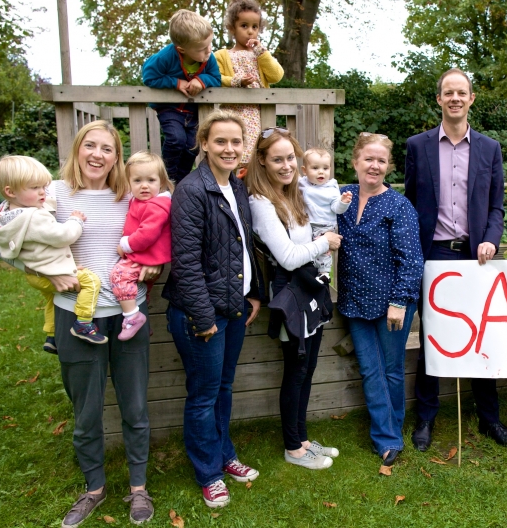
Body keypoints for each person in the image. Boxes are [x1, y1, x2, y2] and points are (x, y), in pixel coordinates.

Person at [19, 121, 156, 527]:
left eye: (108, 149)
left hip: (127, 315)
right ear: (77, 149)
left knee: (134, 406)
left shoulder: (130, 194)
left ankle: (138, 487)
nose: (98, 155)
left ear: (118, 156)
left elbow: (158, 233)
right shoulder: (55, 195)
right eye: (90, 146)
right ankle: (93, 487)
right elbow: (9, 242)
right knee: (86, 409)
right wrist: (47, 271)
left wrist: (154, 265)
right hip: (75, 315)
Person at [405, 68, 507, 451]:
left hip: (476, 257)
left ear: (471, 99)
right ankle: (425, 418)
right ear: (439, 99)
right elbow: (410, 205)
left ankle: (490, 418)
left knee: (482, 334)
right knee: (433, 338)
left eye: (462, 92)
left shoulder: (489, 148)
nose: (455, 98)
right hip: (434, 254)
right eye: (448, 92)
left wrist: (490, 240)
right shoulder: (417, 146)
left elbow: (496, 207)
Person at [164, 111, 262, 508]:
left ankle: (225, 455)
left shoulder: (235, 187)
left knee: (222, 387)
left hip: (233, 306)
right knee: (203, 395)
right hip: (200, 313)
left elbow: (243, 245)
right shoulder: (192, 190)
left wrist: (253, 292)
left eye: (236, 142)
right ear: (204, 143)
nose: (229, 148)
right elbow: (185, 262)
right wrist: (203, 318)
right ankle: (209, 473)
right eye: (220, 141)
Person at [247, 128, 342, 470]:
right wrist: (326, 242)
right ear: (262, 161)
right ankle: (292, 447)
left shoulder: (292, 194)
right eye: (277, 159)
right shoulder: (261, 202)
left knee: (309, 366)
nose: (286, 165)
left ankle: (302, 438)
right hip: (289, 292)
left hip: (309, 288)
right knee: (296, 368)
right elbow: (287, 257)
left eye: (290, 158)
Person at [338, 133, 423, 467]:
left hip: (392, 303)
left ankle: (388, 438)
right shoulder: (341, 197)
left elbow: (412, 260)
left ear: (388, 166)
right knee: (370, 370)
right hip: (355, 300)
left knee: (390, 371)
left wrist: (400, 302)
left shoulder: (398, 206)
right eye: (368, 159)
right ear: (356, 160)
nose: (374, 166)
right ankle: (387, 434)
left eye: (381, 161)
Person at [0, 155, 104, 354]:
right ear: (10, 191)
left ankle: (52, 335)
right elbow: (63, 236)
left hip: (34, 274)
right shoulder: (35, 216)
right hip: (50, 272)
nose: (43, 192)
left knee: (52, 298)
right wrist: (75, 221)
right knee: (92, 282)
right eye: (35, 188)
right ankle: (83, 323)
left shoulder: (4, 215)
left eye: (44, 186)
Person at [143, 9, 221, 183]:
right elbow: (149, 76)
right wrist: (176, 83)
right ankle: (167, 178)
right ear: (182, 49)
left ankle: (181, 180)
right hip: (170, 109)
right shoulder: (166, 57)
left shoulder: (209, 58)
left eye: (210, 44)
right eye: (202, 49)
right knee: (176, 139)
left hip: (193, 112)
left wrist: (202, 80)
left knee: (192, 146)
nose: (209, 51)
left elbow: (216, 78)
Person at [215, 0, 284, 178]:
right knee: (234, 148)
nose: (250, 31)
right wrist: (236, 81)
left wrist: (262, 52)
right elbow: (214, 78)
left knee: (256, 153)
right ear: (232, 28)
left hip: (256, 112)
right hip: (233, 112)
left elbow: (276, 75)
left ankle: (251, 188)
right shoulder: (223, 55)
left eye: (255, 27)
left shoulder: (260, 55)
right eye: (244, 26)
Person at [111, 152, 174, 340]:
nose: (144, 185)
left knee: (119, 276)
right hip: (147, 258)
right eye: (137, 180)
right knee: (141, 291)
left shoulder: (156, 206)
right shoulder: (140, 201)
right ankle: (142, 323)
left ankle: (132, 318)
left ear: (161, 182)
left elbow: (147, 234)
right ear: (129, 183)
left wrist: (126, 245)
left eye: (151, 180)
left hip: (145, 256)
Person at [299, 147, 351, 281]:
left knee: (323, 250)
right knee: (308, 248)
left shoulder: (331, 187)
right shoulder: (302, 183)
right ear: (305, 170)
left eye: (325, 168)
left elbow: (336, 208)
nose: (321, 172)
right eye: (315, 168)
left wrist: (343, 202)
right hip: (307, 223)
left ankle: (324, 272)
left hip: (325, 224)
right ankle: (310, 270)